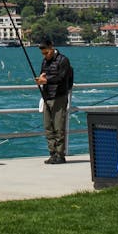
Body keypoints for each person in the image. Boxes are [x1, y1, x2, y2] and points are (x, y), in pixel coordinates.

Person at [35, 36, 73, 165]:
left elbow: (62, 78)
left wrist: (46, 80)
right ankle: (52, 153)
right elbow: (43, 75)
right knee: (48, 127)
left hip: (59, 97)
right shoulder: (44, 61)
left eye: (46, 52)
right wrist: (40, 78)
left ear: (52, 48)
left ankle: (60, 154)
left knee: (59, 127)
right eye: (43, 53)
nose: (45, 55)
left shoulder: (63, 60)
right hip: (47, 97)